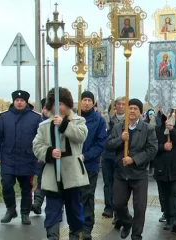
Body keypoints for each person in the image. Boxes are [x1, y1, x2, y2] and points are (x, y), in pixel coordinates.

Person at [32, 87, 89, 239]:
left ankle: (76, 233)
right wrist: (49, 152)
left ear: (68, 105)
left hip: (72, 174)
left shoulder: (78, 121)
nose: (59, 107)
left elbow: (81, 136)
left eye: (62, 103)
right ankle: (52, 236)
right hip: (53, 174)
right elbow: (37, 146)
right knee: (52, 210)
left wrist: (64, 125)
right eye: (56, 104)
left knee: (75, 209)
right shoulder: (44, 126)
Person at [106, 99, 158, 240]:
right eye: (131, 108)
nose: (133, 111)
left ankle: (136, 235)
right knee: (117, 204)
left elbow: (152, 149)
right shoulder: (118, 128)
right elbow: (108, 144)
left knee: (140, 207)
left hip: (139, 174)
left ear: (141, 112)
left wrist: (134, 159)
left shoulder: (148, 129)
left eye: (136, 108)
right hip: (121, 173)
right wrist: (120, 140)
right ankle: (127, 222)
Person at [0, 90, 42, 225]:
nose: (19, 103)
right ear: (14, 101)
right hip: (8, 158)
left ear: (26, 102)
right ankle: (10, 210)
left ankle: (25, 214)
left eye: (22, 101)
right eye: (17, 100)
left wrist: (41, 155)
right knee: (6, 184)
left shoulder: (35, 118)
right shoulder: (4, 117)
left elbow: (42, 138)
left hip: (28, 158)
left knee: (26, 187)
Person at [153, 108, 176, 232]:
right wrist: (163, 147)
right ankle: (168, 218)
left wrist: (173, 131)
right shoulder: (158, 129)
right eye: (169, 113)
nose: (173, 116)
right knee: (165, 195)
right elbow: (152, 147)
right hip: (162, 168)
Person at [79, 91, 107, 239]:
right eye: (84, 99)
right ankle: (75, 224)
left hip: (90, 165)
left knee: (87, 195)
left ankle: (87, 227)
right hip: (72, 165)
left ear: (93, 102)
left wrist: (86, 155)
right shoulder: (73, 118)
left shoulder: (98, 120)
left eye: (89, 100)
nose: (86, 103)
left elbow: (100, 142)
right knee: (75, 196)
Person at [101, 96, 132, 228]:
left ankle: (118, 213)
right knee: (108, 184)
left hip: (121, 158)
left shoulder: (129, 121)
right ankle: (109, 207)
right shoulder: (108, 119)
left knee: (120, 187)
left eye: (123, 104)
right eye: (118, 104)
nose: (120, 106)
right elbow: (106, 139)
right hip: (108, 156)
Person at [31, 98, 48, 215]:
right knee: (41, 180)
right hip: (40, 157)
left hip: (55, 157)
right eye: (45, 108)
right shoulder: (38, 121)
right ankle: (37, 203)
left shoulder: (59, 122)